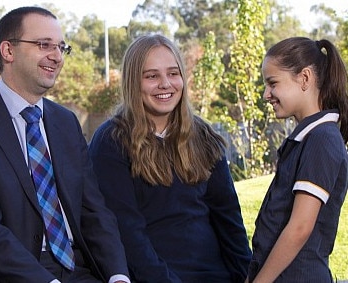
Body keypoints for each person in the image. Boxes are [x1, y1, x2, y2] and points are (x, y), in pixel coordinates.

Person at [0, 6, 130, 283]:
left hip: (79, 268)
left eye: (61, 47)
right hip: (12, 274)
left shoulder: (66, 122)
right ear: (8, 51)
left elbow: (93, 210)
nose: (57, 56)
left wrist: (118, 276)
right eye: (44, 45)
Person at [88, 34, 252, 282]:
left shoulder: (204, 136)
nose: (165, 84)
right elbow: (128, 233)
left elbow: (229, 222)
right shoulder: (112, 141)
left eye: (173, 73)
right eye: (152, 76)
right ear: (134, 82)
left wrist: (248, 277)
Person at [246, 37, 348, 282]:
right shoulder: (307, 138)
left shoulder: (322, 139)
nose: (265, 94)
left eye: (272, 83)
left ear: (304, 79)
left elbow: (300, 228)